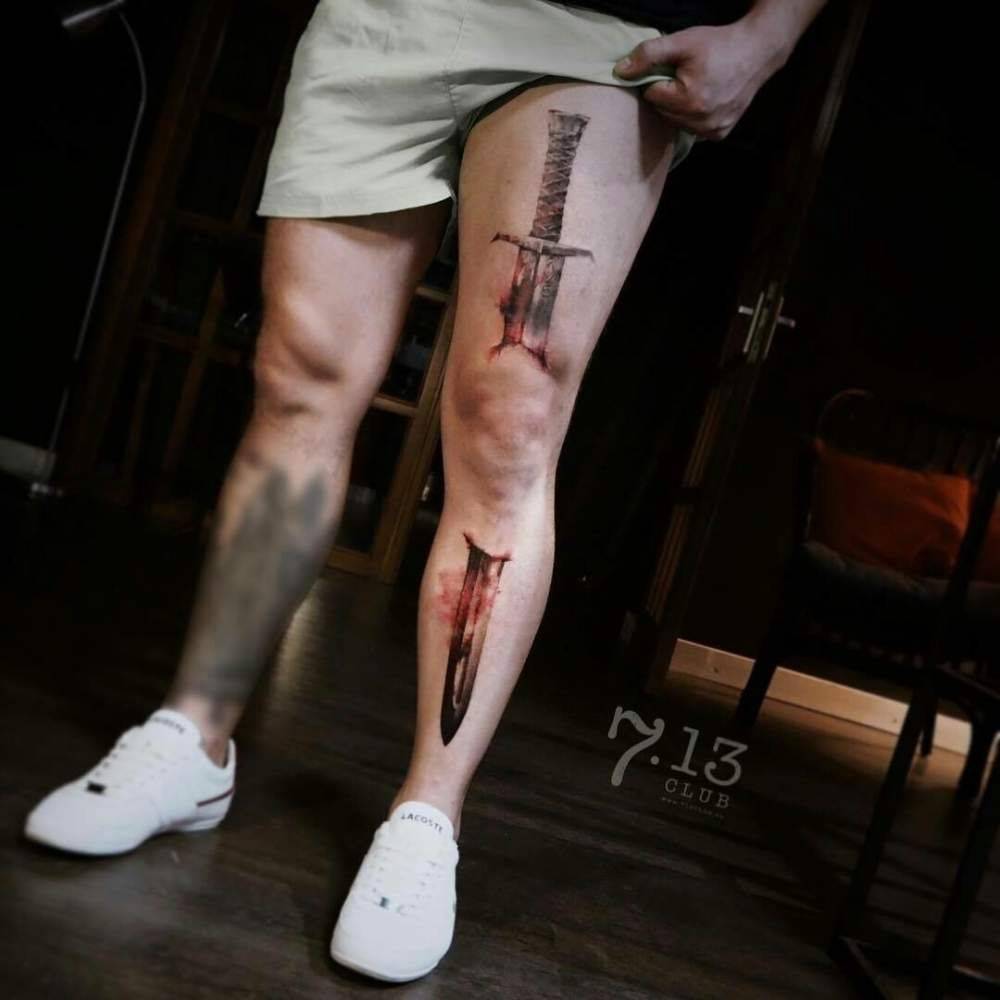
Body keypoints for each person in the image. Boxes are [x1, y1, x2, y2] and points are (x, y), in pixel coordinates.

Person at [25, 0, 826, 983]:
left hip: (592, 34)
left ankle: (426, 815)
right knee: (297, 381)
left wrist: (770, 34)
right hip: (383, 16)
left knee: (511, 413)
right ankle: (193, 743)